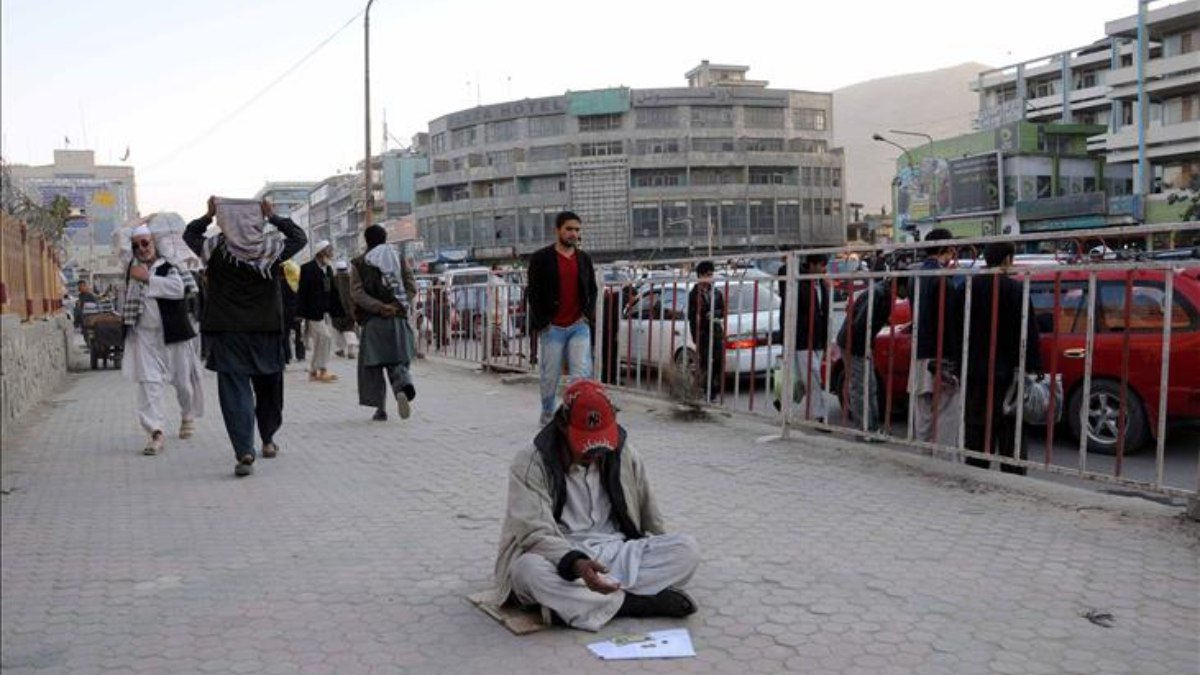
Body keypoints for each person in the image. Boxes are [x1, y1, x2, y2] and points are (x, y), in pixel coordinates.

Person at [493, 380, 700, 631]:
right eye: (586, 443)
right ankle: (635, 604)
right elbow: (534, 533)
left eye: (601, 442)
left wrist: (659, 548)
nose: (596, 453)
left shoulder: (624, 454)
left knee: (687, 550)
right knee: (527, 572)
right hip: (560, 555)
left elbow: (649, 514)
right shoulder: (530, 462)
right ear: (562, 426)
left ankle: (575, 606)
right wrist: (577, 564)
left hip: (615, 550)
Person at [183, 196, 307, 477]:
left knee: (234, 392)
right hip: (266, 330)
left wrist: (207, 215)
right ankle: (268, 439)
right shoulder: (272, 248)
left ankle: (244, 450)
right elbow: (300, 237)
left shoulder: (214, 249)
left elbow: (190, 235)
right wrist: (273, 216)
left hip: (228, 332)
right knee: (269, 389)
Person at [120, 225, 204, 455]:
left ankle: (187, 415)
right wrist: (144, 220)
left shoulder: (170, 266)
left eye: (145, 243)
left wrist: (148, 279)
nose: (141, 249)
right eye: (136, 245)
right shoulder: (130, 267)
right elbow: (120, 234)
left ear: (155, 242)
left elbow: (177, 290)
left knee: (182, 383)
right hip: (144, 336)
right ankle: (155, 431)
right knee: (149, 384)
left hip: (173, 334)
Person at [964, 242, 1042, 474]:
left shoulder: (968, 288)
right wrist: (1033, 366)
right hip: (1009, 373)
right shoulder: (1016, 290)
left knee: (977, 429)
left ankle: (977, 472)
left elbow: (956, 329)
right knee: (1011, 430)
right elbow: (1029, 332)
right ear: (1008, 259)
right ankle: (1013, 477)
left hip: (975, 371)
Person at [525, 211, 598, 426]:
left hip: (578, 325)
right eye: (569, 229)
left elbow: (592, 290)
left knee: (581, 374)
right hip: (552, 327)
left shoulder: (584, 259)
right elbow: (533, 292)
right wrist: (542, 323)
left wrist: (587, 315)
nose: (573, 234)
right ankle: (548, 414)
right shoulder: (541, 258)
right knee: (550, 376)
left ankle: (576, 414)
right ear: (557, 230)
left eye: (577, 230)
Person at [350, 225, 418, 422]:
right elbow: (411, 286)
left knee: (373, 367)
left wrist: (379, 307)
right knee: (397, 361)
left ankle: (380, 409)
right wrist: (396, 306)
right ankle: (401, 390)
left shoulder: (359, 263)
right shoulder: (398, 258)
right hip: (397, 320)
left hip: (373, 322)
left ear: (366, 240)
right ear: (385, 238)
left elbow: (357, 293)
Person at [836, 275, 910, 437]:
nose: (909, 292)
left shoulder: (884, 293)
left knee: (869, 386)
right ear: (899, 285)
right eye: (908, 287)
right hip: (854, 344)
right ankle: (866, 430)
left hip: (858, 344)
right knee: (861, 387)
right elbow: (862, 323)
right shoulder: (879, 294)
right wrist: (863, 349)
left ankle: (871, 427)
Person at [910, 229, 965, 446]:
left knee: (923, 414)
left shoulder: (916, 277)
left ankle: (923, 458)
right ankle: (941, 465)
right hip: (940, 356)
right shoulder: (943, 280)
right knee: (945, 414)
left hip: (920, 353)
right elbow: (949, 324)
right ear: (946, 248)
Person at [777, 253, 830, 422]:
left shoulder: (821, 283)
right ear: (811, 265)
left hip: (818, 338)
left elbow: (824, 311)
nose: (824, 270)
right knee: (814, 377)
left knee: (805, 378)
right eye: (821, 265)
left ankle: (783, 401)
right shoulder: (796, 280)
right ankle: (820, 415)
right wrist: (792, 258)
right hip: (801, 338)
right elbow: (783, 271)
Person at [297, 240, 344, 382]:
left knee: (321, 341)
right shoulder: (307, 268)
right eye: (329, 250)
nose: (331, 253)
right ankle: (321, 369)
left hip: (324, 312)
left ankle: (314, 371)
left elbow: (332, 291)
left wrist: (337, 310)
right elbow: (302, 291)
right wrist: (299, 312)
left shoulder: (328, 269)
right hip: (312, 312)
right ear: (321, 253)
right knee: (325, 338)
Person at [686, 261, 726, 402]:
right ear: (701, 276)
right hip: (703, 333)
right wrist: (697, 334)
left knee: (718, 361)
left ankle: (712, 390)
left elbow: (723, 311)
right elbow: (692, 317)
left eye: (711, 274)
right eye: (708, 275)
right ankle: (704, 391)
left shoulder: (716, 292)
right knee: (704, 363)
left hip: (716, 332)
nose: (711, 277)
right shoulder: (694, 295)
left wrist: (715, 313)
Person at [332, 261, 359, 359]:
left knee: (338, 329)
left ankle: (341, 350)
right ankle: (351, 351)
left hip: (336, 310)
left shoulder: (333, 279)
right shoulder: (351, 279)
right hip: (349, 309)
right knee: (349, 329)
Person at [280, 259, 302, 364]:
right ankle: (300, 354)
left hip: (284, 312)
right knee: (298, 334)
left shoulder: (280, 283)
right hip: (295, 311)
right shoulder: (295, 282)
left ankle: (286, 356)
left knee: (285, 335)